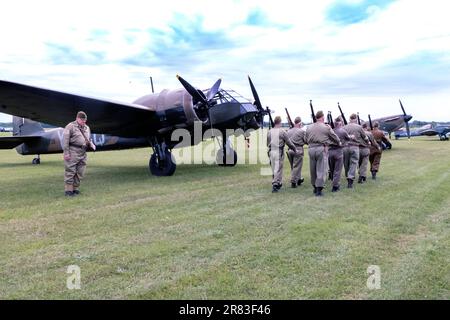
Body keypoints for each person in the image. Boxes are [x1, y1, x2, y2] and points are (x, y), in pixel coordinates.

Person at [306, 111, 341, 196]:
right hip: (321, 148)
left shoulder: (309, 127)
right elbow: (334, 137)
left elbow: (305, 138)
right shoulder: (326, 127)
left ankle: (314, 186)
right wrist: (338, 142)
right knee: (321, 169)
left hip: (311, 148)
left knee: (313, 169)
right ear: (322, 117)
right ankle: (319, 189)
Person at [63, 111, 96, 196]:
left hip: (83, 152)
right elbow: (65, 140)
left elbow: (89, 138)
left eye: (85, 120)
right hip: (73, 150)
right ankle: (68, 191)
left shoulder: (87, 128)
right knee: (70, 171)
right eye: (82, 120)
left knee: (80, 171)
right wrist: (66, 153)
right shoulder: (70, 126)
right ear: (77, 118)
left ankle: (75, 189)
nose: (84, 122)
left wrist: (92, 144)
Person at [267, 116, 297, 193]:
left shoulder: (269, 131)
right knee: (278, 168)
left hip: (271, 151)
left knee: (274, 168)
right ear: (280, 122)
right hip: (278, 151)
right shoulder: (282, 131)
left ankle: (277, 182)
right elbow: (289, 142)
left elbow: (267, 143)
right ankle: (275, 184)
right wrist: (294, 149)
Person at [343, 114, 369, 188]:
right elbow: (365, 137)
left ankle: (347, 175)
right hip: (354, 147)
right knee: (354, 163)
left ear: (349, 119)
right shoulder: (359, 127)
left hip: (345, 147)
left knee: (346, 163)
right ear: (356, 119)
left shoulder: (344, 127)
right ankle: (350, 179)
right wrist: (368, 142)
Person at [328, 117, 352, 192]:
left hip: (330, 151)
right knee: (337, 170)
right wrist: (352, 137)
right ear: (340, 123)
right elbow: (348, 138)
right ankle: (335, 186)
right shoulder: (343, 131)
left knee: (332, 169)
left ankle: (333, 180)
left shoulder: (330, 131)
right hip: (338, 151)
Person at [287, 116, 306, 188]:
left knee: (293, 167)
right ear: (300, 123)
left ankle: (298, 179)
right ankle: (293, 182)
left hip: (290, 150)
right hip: (298, 149)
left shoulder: (289, 131)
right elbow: (306, 140)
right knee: (297, 167)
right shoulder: (301, 131)